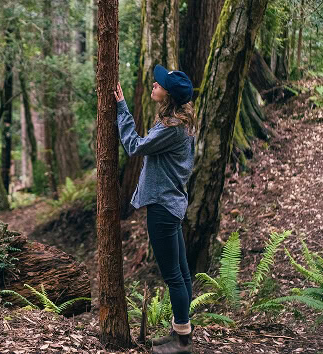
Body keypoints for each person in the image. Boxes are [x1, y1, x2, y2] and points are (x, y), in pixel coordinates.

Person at [113, 64, 195, 354]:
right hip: (172, 203)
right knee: (182, 273)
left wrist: (121, 108)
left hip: (163, 206)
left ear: (169, 95)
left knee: (174, 275)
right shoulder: (180, 121)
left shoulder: (172, 128)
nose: (153, 85)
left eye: (158, 84)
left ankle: (182, 342)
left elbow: (135, 146)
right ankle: (180, 332)